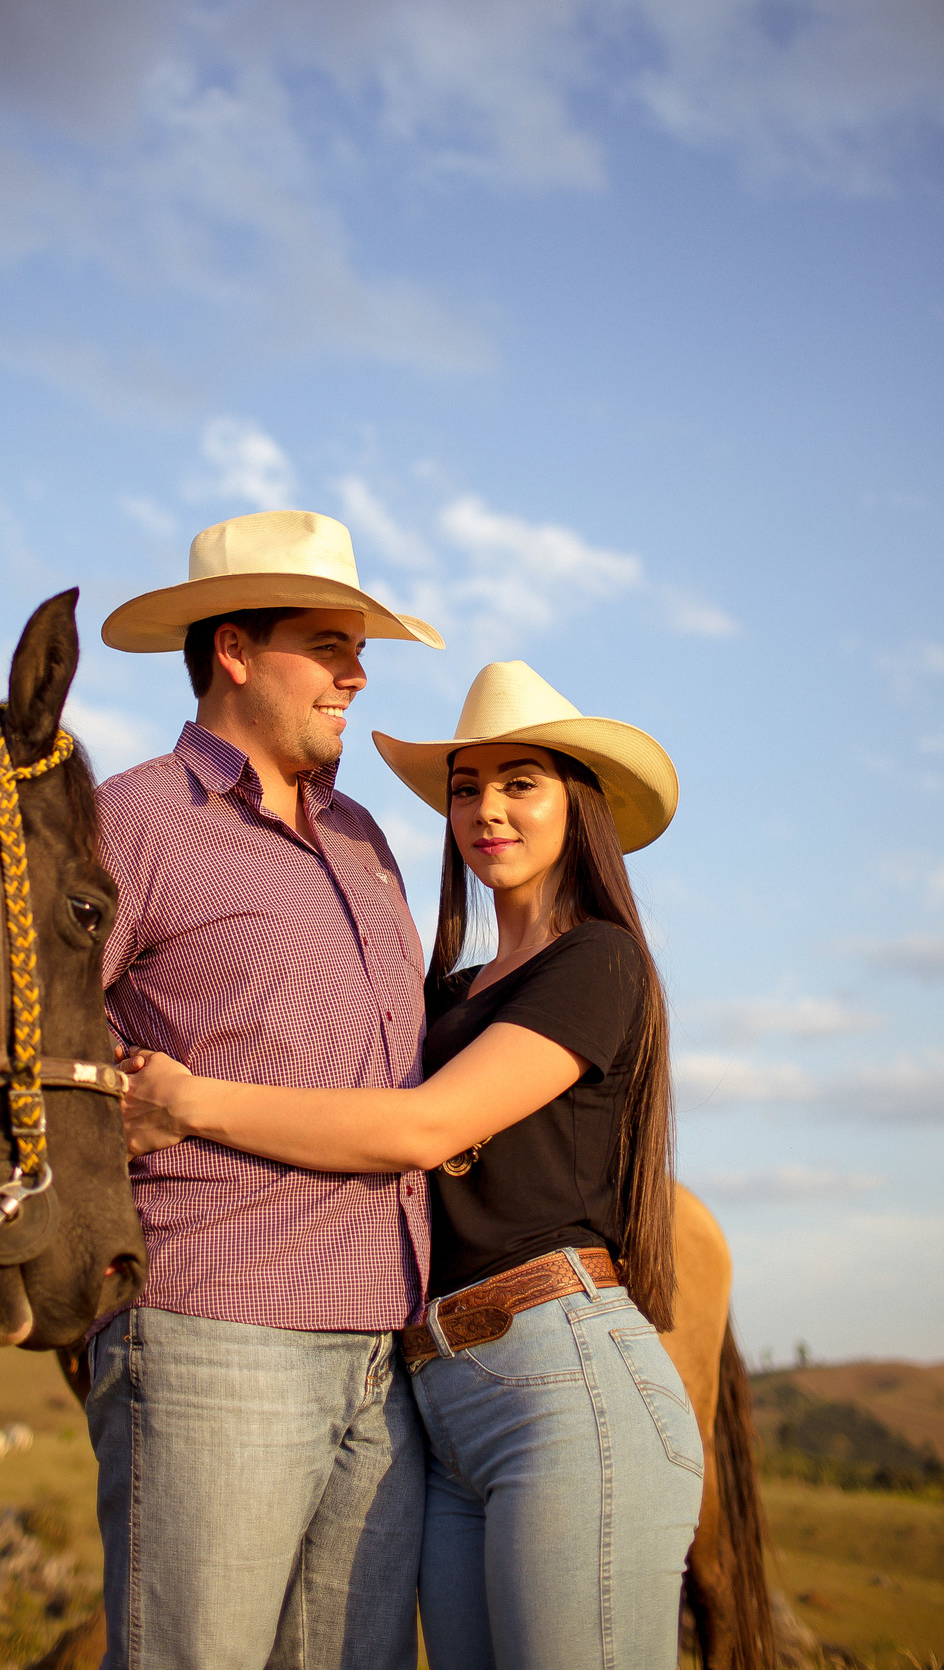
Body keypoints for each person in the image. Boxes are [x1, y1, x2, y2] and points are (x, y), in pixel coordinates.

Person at [123, 658, 704, 1670]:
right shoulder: (451, 992)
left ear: (581, 807)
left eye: (522, 782)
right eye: (466, 787)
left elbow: (424, 1128)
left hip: (563, 1381)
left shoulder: (600, 961)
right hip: (441, 1400)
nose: (488, 809)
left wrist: (191, 1102)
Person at [89, 508, 444, 1670]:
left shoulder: (366, 840)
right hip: (214, 1328)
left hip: (382, 1351)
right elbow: (17, 1035)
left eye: (360, 651)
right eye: (328, 646)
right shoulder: (134, 820)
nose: (354, 676)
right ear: (232, 648)